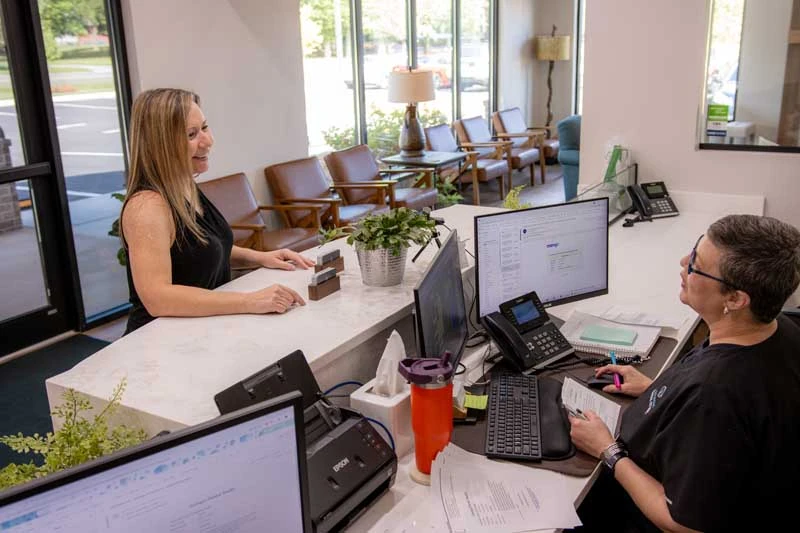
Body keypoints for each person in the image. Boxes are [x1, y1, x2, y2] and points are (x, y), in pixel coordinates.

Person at [568, 214, 800, 532]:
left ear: (735, 299)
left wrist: (607, 451)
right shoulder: (779, 329)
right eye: (692, 250)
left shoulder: (714, 398)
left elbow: (684, 524)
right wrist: (660, 389)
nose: (683, 263)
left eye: (696, 264)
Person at [121, 88, 314, 334]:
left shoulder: (183, 185)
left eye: (204, 127)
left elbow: (199, 248)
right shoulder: (147, 206)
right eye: (191, 134)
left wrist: (261, 257)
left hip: (199, 332)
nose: (207, 141)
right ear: (161, 146)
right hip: (157, 342)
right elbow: (157, 298)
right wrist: (250, 301)